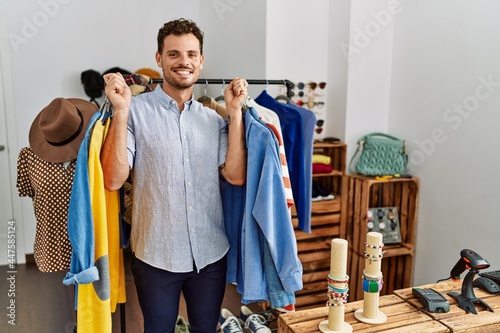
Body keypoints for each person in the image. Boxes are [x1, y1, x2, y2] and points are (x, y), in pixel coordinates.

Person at [101, 18, 248, 333]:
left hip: (209, 254)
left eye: (191, 54)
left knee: (206, 328)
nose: (184, 62)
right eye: (174, 54)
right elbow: (112, 180)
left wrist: (235, 113)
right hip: (156, 255)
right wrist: (121, 111)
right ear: (159, 59)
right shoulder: (135, 112)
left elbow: (235, 176)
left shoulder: (214, 119)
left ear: (201, 60)